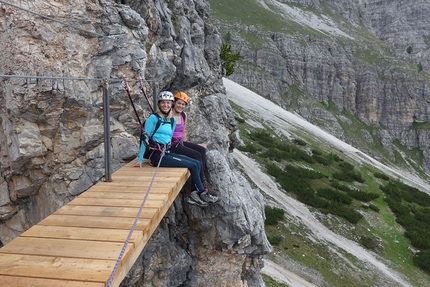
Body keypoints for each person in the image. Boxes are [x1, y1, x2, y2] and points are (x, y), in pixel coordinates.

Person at [132, 91, 218, 207]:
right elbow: (145, 139)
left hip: (167, 152)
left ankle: (195, 194)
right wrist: (140, 159)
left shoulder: (171, 120)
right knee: (193, 165)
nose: (166, 105)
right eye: (163, 103)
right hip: (156, 157)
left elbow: (169, 139)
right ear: (159, 104)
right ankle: (201, 193)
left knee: (197, 162)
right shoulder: (153, 118)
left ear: (171, 104)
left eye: (168, 103)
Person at [170, 92, 207, 182]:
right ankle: (201, 181)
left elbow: (183, 131)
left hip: (180, 143)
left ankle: (203, 176)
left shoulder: (183, 115)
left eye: (183, 104)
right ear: (174, 103)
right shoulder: (169, 115)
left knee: (202, 150)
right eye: (179, 103)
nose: (181, 106)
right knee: (196, 154)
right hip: (172, 144)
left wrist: (184, 145)